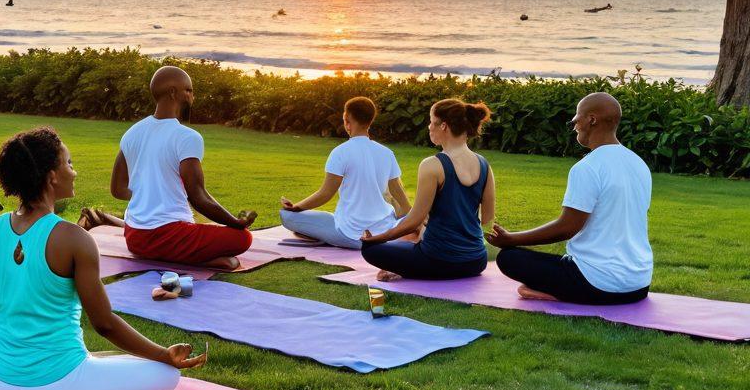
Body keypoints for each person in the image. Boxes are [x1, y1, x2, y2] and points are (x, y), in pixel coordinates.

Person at [0, 127, 205, 390]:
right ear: (52, 176)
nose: (74, 171)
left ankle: (28, 352)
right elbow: (104, 324)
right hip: (59, 388)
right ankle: (91, 361)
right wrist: (162, 354)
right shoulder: (74, 238)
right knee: (167, 375)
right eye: (69, 163)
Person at [487, 92, 653, 304]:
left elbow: (567, 227)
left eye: (576, 119)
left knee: (509, 258)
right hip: (637, 285)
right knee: (555, 263)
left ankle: (554, 293)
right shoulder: (638, 164)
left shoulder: (587, 167)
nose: (574, 125)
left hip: (599, 285)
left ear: (591, 120)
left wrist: (511, 239)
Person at [107, 66, 254, 269]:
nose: (192, 95)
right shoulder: (187, 137)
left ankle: (180, 256)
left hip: (134, 237)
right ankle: (201, 259)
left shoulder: (132, 133)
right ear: (173, 92)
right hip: (168, 235)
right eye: (188, 90)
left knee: (204, 231)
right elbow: (197, 196)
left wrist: (148, 196)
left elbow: (117, 189)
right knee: (242, 238)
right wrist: (236, 222)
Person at [360, 99, 496, 281]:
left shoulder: (432, 165)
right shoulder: (484, 165)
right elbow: (487, 218)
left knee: (370, 249)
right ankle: (409, 263)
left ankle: (405, 269)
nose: (429, 126)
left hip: (437, 260)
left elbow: (413, 219)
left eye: (432, 121)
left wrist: (379, 238)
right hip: (476, 261)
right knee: (419, 233)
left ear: (444, 126)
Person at [279, 96, 411, 248]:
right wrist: (414, 220)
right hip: (384, 232)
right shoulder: (387, 153)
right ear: (370, 121)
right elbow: (399, 194)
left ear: (347, 120)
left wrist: (295, 207)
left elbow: (325, 194)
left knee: (286, 215)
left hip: (349, 234)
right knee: (330, 218)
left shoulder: (340, 152)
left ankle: (322, 235)